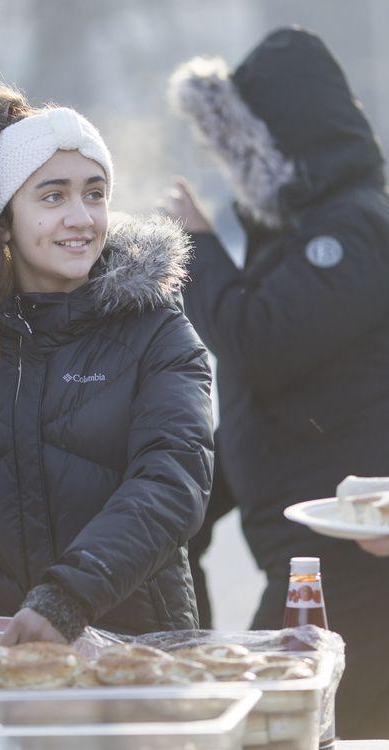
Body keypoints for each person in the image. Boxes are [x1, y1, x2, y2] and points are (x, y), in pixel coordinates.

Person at [0, 82, 214, 657]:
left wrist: (67, 597)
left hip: (135, 659)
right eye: (53, 197)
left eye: (94, 194)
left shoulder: (158, 335)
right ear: (3, 222)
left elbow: (172, 484)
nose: (81, 217)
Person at [163, 27, 389, 739]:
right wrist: (188, 490)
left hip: (357, 566)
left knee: (288, 726)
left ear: (282, 142)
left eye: (240, 151)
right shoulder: (301, 227)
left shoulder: (353, 229)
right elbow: (287, 399)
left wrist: (194, 246)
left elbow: (259, 344)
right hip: (311, 558)